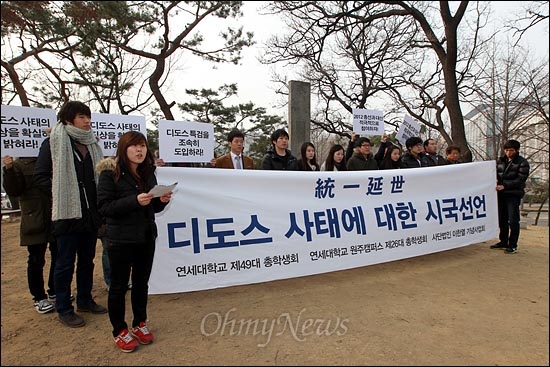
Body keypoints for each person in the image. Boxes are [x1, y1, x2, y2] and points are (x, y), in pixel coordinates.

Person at [97, 131, 172, 353]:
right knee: (119, 286)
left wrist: (161, 201)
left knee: (141, 283)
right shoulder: (110, 173)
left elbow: (153, 207)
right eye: (134, 146)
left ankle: (140, 323)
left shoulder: (148, 172)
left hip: (146, 236)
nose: (140, 151)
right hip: (120, 239)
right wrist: (134, 201)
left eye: (143, 146)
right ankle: (119, 330)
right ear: (124, 148)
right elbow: (104, 208)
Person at [34, 100, 107, 328]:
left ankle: (85, 299)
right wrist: (64, 194)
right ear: (68, 120)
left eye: (88, 117)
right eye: (82, 117)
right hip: (66, 215)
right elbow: (41, 177)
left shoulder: (93, 144)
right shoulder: (53, 144)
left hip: (90, 214)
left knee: (87, 260)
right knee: (65, 263)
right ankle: (64, 308)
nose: (87, 121)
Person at [3, 155, 57, 314]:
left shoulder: (53, 158)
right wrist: (9, 169)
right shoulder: (18, 164)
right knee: (35, 259)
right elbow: (13, 190)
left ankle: (55, 289)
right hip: (34, 217)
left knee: (59, 255)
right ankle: (39, 297)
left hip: (54, 215)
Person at [491, 139, 530, 254]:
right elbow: (494, 173)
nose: (508, 152)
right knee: (502, 219)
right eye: (507, 150)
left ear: (517, 150)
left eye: (511, 150)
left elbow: (520, 179)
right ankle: (503, 241)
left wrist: (505, 185)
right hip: (500, 194)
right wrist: (495, 180)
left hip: (513, 194)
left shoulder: (522, 162)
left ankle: (513, 244)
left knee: (513, 220)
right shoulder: (500, 161)